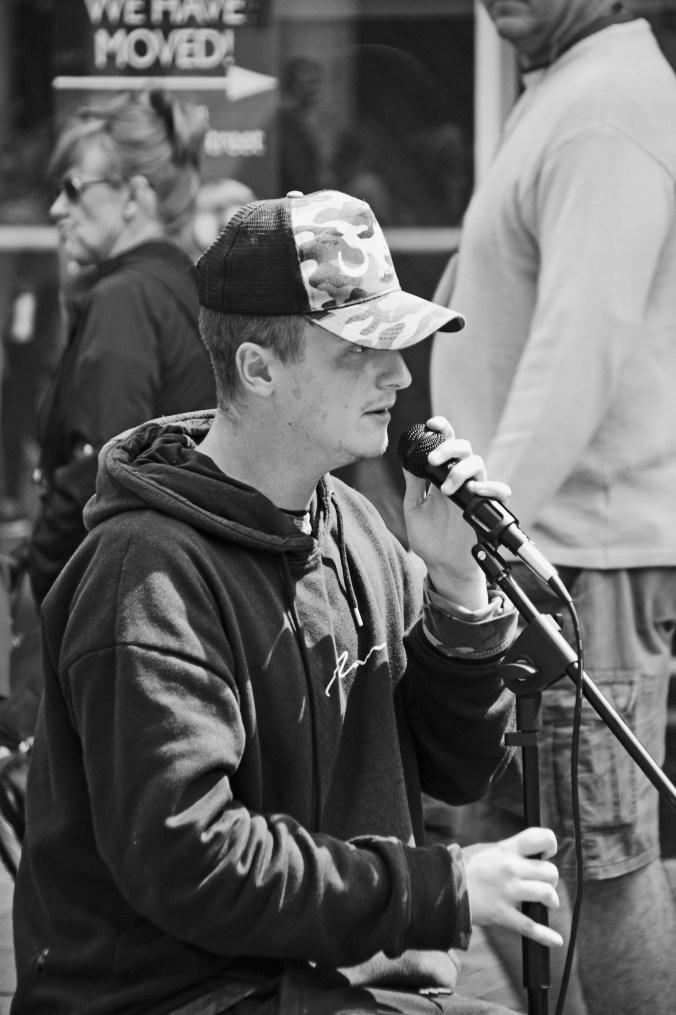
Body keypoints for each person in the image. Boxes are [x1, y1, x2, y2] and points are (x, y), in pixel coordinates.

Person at [11, 188, 563, 1015]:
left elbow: (460, 766)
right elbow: (190, 857)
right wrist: (434, 889)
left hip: (331, 981)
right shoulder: (145, 573)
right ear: (259, 368)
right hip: (187, 995)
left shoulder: (356, 526)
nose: (400, 374)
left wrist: (457, 589)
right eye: (361, 349)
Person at [430, 3, 676, 1014]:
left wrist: (483, 538)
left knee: (598, 863)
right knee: (499, 849)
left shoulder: (606, 103)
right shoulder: (573, 92)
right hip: (538, 550)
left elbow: (581, 343)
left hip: (569, 559)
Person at [27, 87, 216, 609]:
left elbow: (103, 469)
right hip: (175, 585)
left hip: (112, 597)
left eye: (73, 188)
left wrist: (38, 577)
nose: (57, 208)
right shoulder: (185, 284)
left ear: (133, 194)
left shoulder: (125, 297)